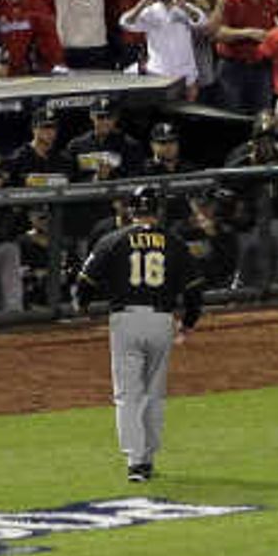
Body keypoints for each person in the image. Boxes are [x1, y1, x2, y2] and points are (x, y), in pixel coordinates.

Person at [69, 187, 200, 482]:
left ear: (131, 211)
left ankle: (136, 462)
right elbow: (194, 289)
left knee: (128, 394)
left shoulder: (113, 239)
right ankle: (149, 458)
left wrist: (83, 306)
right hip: (161, 321)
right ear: (159, 211)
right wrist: (189, 322)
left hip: (125, 321)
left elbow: (84, 281)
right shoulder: (175, 242)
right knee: (154, 392)